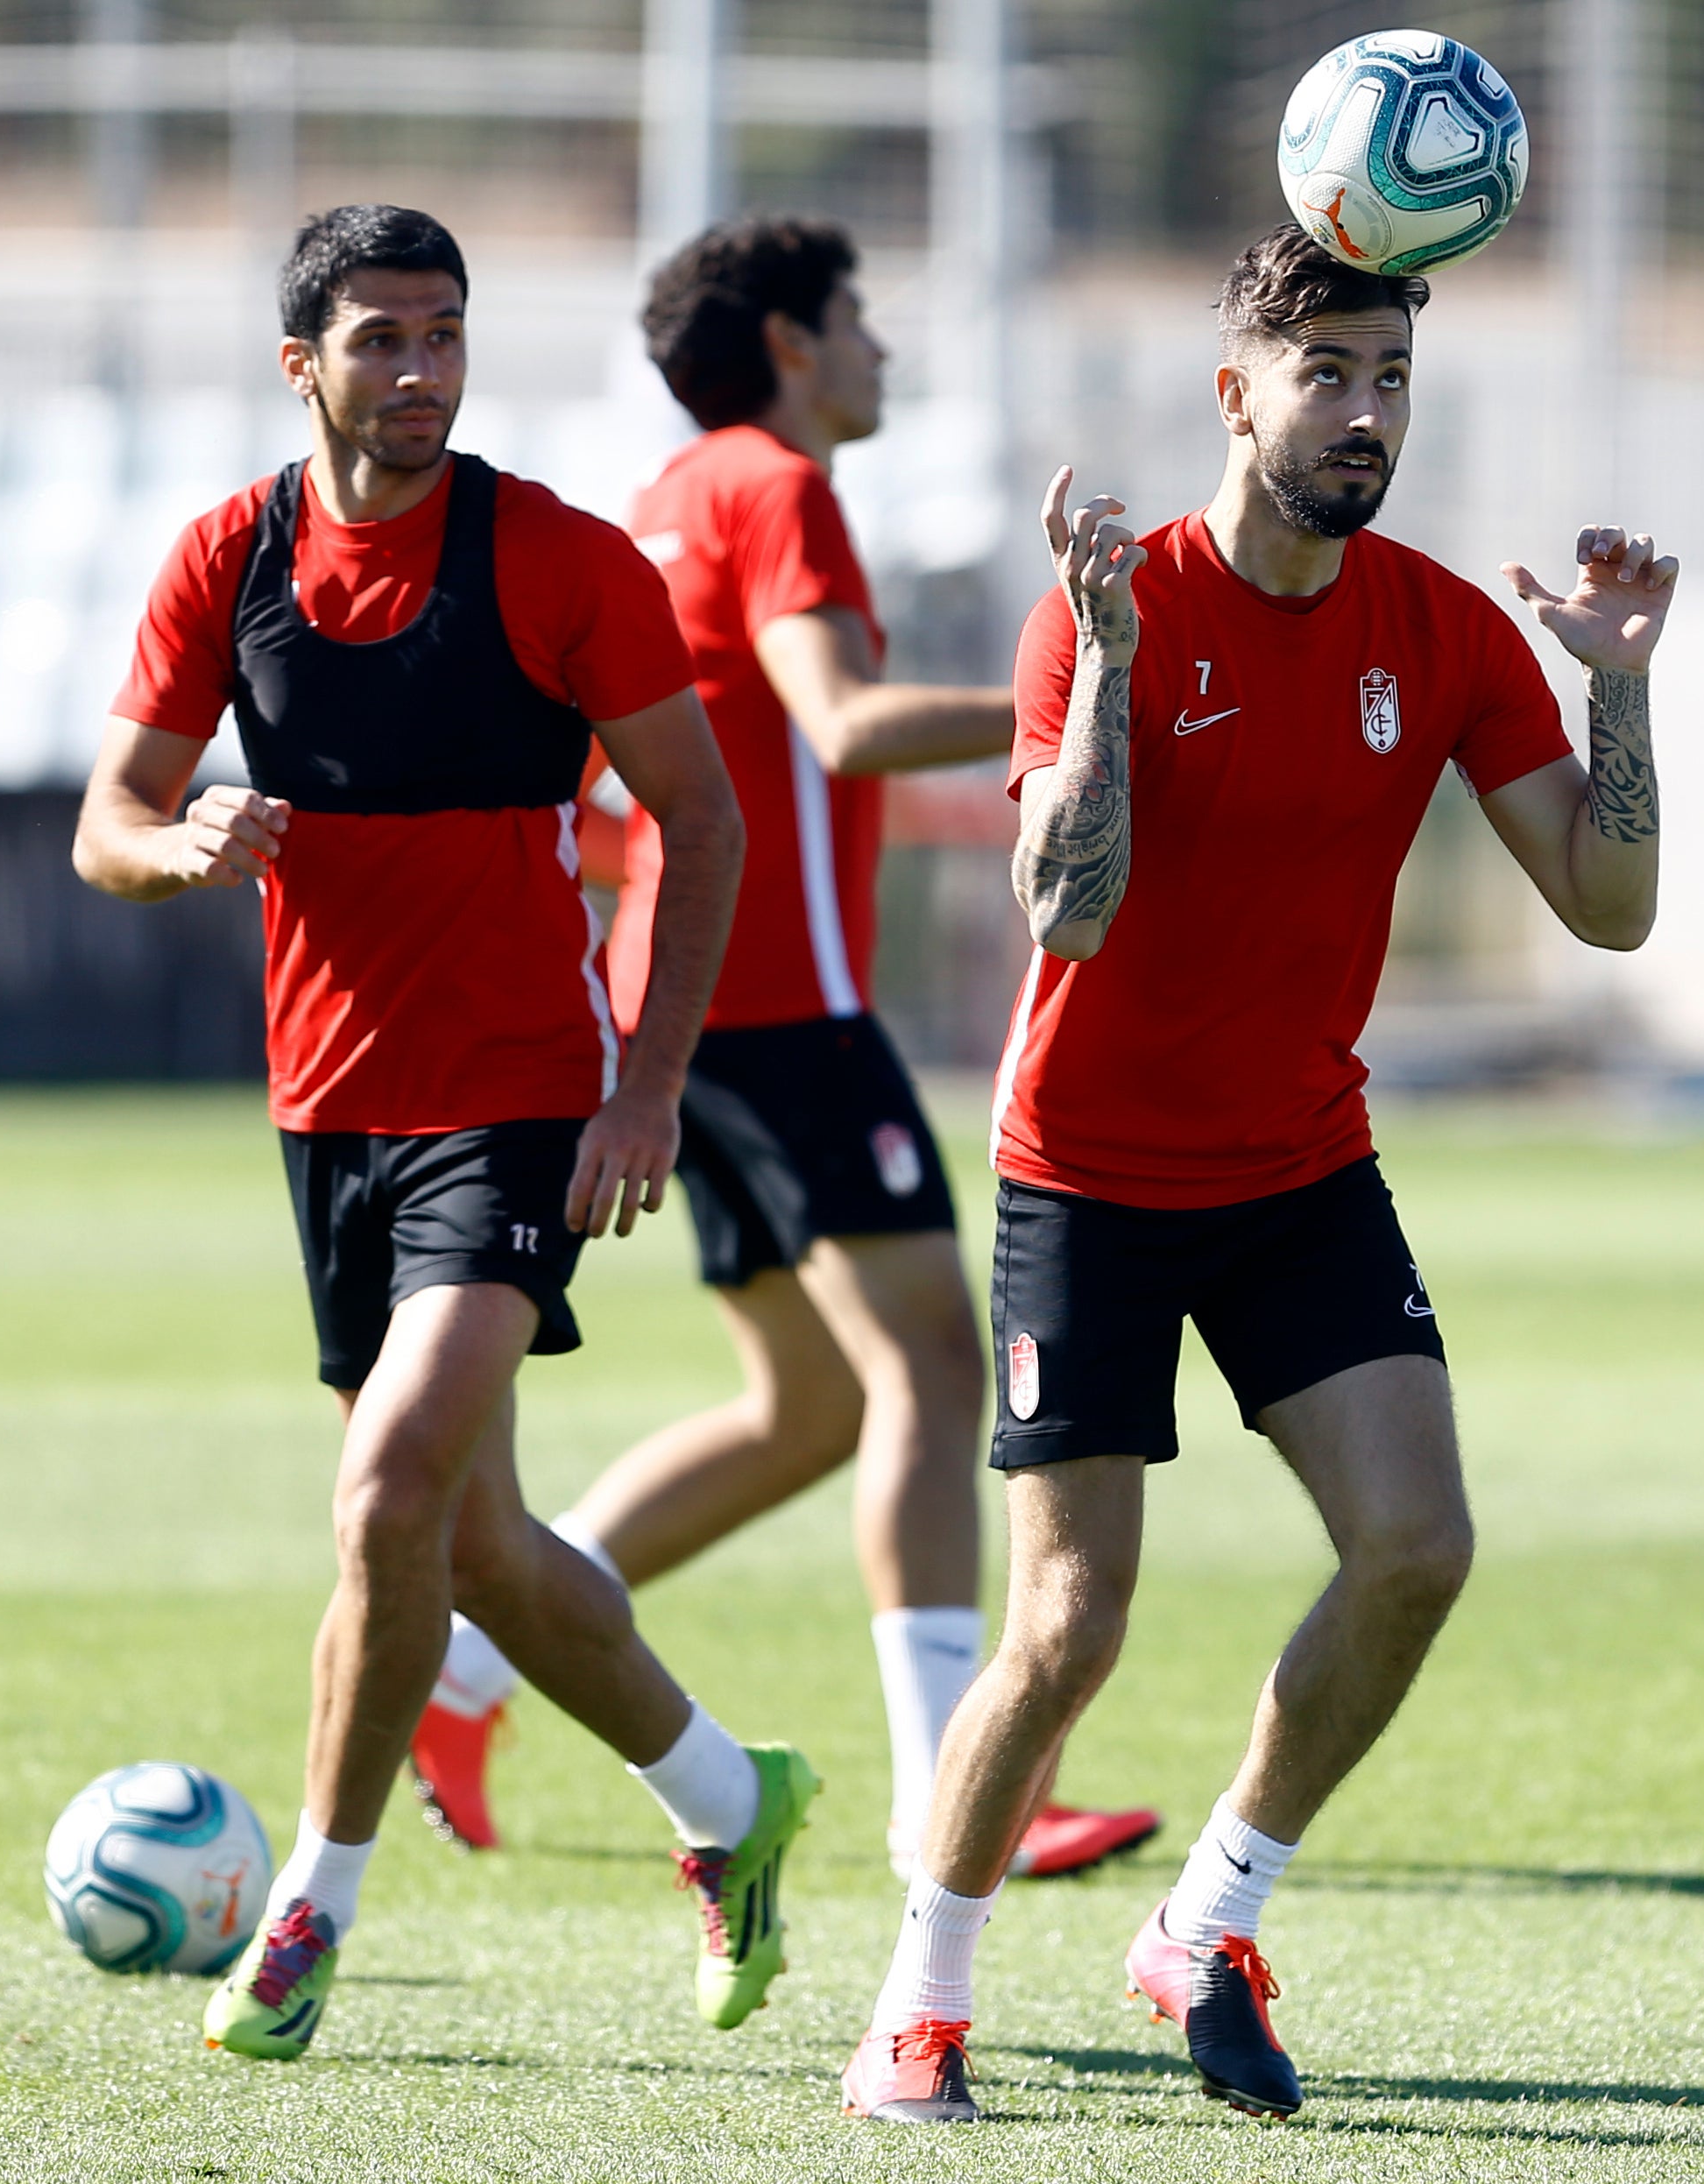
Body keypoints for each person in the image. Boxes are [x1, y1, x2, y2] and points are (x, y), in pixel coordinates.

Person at [841, 220, 1679, 2124]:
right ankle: (919, 2000)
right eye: (1327, 375)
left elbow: (1610, 908)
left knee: (1417, 1548)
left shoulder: (1443, 629)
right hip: (1087, 1174)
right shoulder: (1104, 604)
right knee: (1067, 1623)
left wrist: (1617, 687)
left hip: (1299, 1165)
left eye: (1392, 378)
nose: (1366, 412)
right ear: (1236, 393)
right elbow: (1064, 909)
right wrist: (1111, 669)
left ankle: (1203, 1916)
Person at [71, 203, 817, 2063]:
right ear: (300, 363)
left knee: (387, 1490)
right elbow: (107, 820)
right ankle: (734, 1799)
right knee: (470, 1543)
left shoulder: (557, 557)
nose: (421, 371)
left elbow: (703, 821)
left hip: (517, 1097)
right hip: (327, 1108)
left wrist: (645, 1084)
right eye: (382, 338)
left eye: (446, 334)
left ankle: (306, 1913)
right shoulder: (225, 555)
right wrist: (184, 844)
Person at [415, 215, 1158, 1885]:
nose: (881, 348)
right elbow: (844, 722)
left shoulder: (667, 499)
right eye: (858, 317)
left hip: (683, 1004)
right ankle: (958, 1790)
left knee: (811, 1402)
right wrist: (1094, 693)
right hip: (781, 1004)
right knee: (935, 1370)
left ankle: (463, 1666)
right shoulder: (779, 487)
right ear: (792, 346)